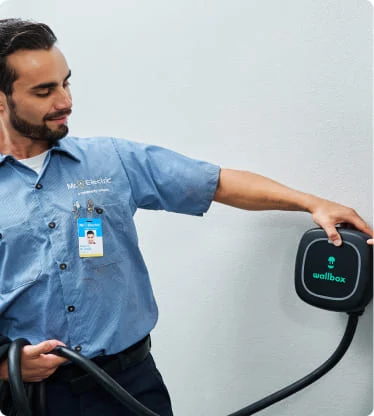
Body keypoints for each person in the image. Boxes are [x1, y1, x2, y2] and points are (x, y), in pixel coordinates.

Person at [0, 18, 372, 416]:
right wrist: (4, 368)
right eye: (44, 91)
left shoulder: (111, 161)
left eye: (65, 83)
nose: (65, 101)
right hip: (35, 398)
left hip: (132, 385)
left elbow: (217, 183)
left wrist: (311, 203)